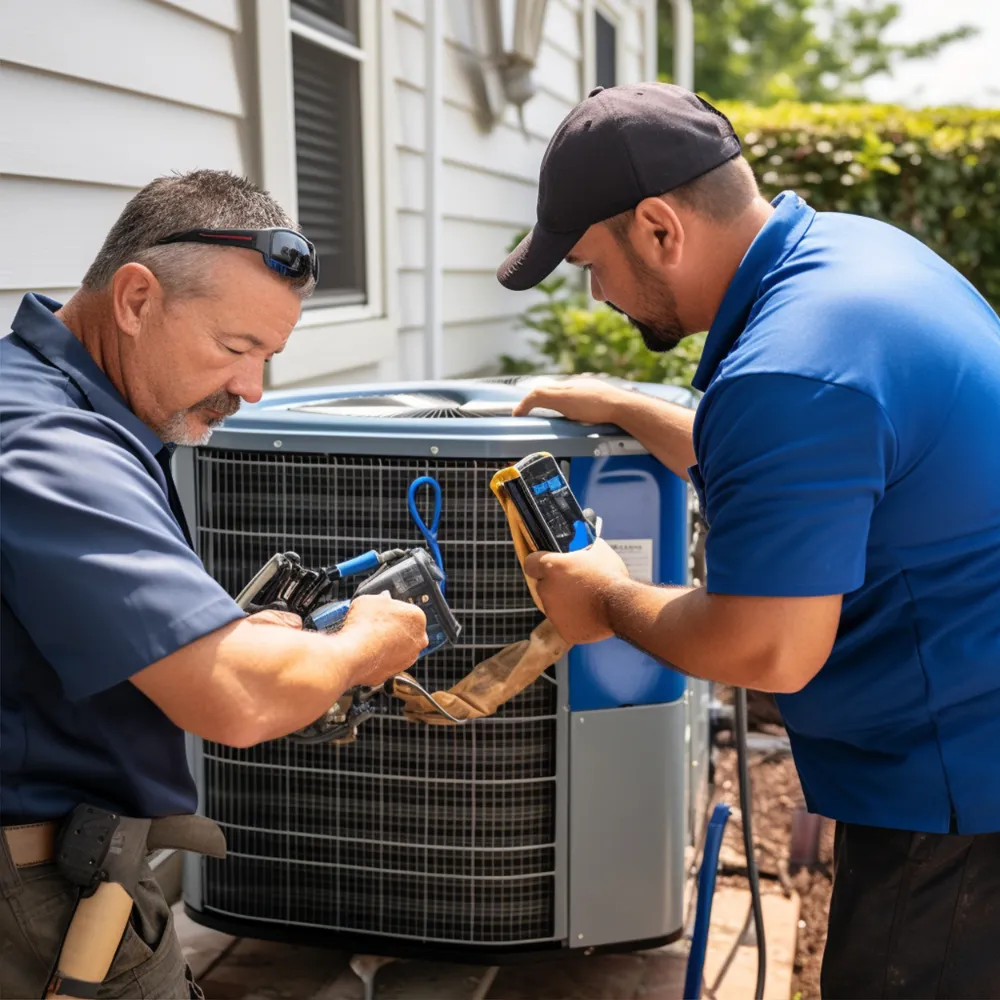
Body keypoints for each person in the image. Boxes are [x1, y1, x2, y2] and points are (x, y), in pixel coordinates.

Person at [498, 83, 1000, 998]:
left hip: (961, 797)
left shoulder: (792, 367)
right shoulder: (849, 263)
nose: (599, 292)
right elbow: (815, 473)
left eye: (588, 264)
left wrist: (604, 598)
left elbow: (767, 646)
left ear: (658, 228)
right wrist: (626, 406)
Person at [0, 170, 428, 999]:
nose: (252, 388)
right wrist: (358, 647)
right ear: (134, 299)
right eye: (235, 349)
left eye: (268, 356)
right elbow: (235, 701)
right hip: (41, 905)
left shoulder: (53, 398)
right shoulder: (53, 444)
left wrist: (223, 635)